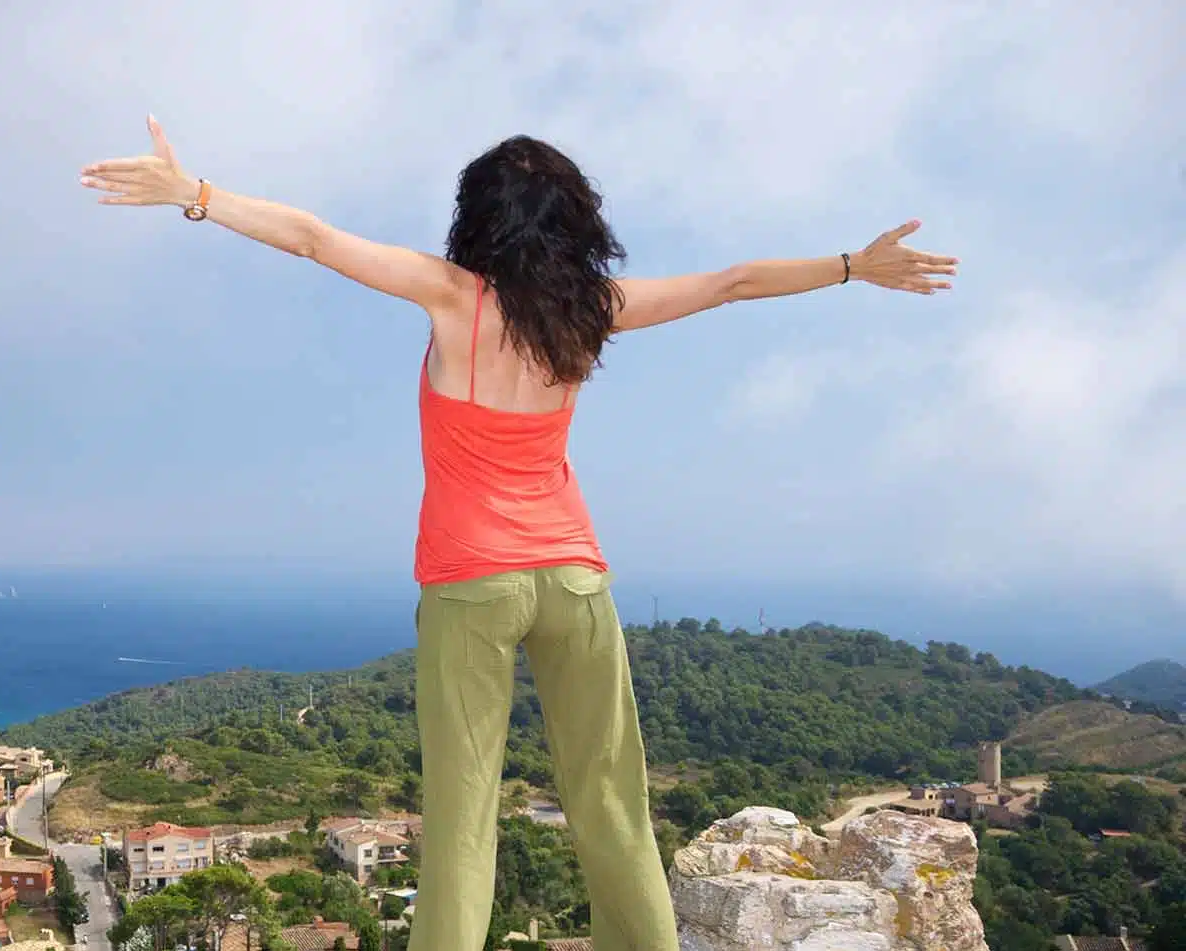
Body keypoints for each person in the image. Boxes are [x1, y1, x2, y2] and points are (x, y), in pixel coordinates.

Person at [79, 117, 956, 951]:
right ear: (574, 220)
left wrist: (192, 191)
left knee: (464, 815)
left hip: (471, 584)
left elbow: (312, 237)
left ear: (480, 218)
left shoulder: (458, 299)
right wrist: (851, 265)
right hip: (575, 580)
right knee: (613, 800)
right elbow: (731, 282)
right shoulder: (593, 309)